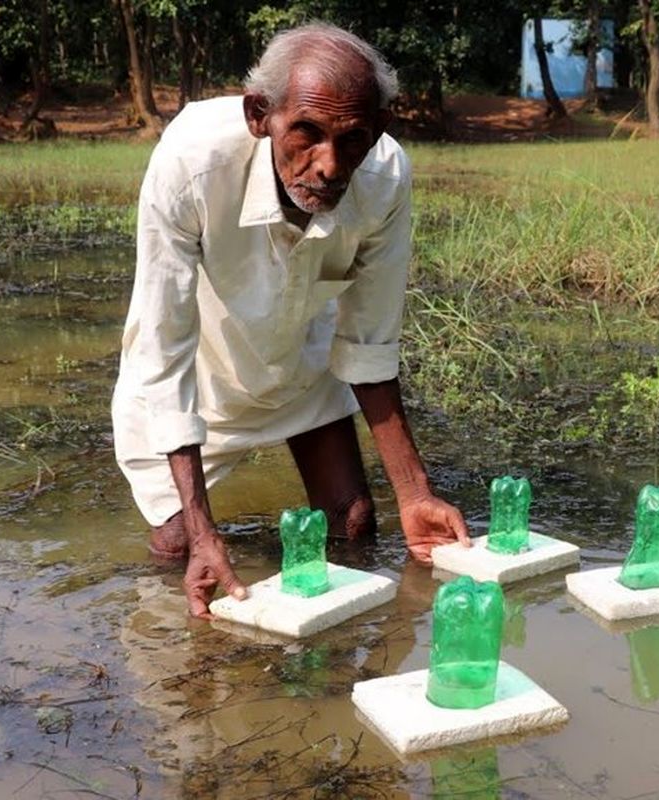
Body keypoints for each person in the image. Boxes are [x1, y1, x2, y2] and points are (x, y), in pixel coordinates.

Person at [111, 23, 471, 618]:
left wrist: (415, 494)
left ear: (377, 129)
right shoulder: (191, 161)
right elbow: (164, 349)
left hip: (302, 362)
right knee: (179, 549)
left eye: (353, 139)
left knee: (354, 527)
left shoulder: (383, 177)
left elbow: (368, 341)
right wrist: (204, 532)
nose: (329, 166)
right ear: (260, 116)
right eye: (307, 133)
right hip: (199, 373)